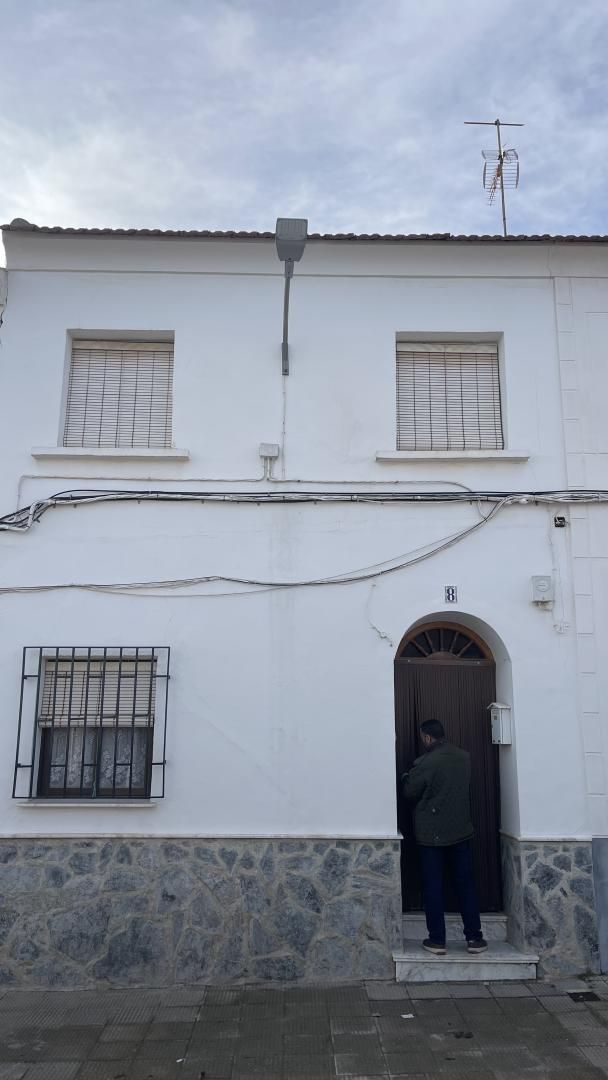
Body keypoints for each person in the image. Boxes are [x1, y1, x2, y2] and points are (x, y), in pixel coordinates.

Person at [401, 718, 488, 955]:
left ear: (427, 737)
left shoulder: (427, 763)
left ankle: (437, 940)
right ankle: (475, 939)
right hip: (461, 831)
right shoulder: (464, 757)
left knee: (433, 886)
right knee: (466, 885)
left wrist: (406, 777)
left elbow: (410, 792)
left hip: (431, 835)